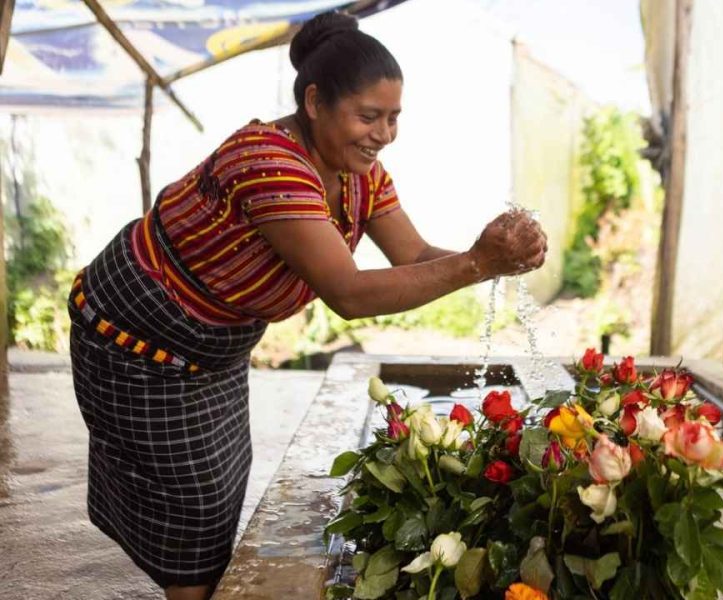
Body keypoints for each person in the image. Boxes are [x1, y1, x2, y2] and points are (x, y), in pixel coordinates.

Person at [68, 10, 547, 600]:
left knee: (219, 490)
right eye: (368, 116)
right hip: (135, 336)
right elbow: (346, 293)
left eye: (394, 118)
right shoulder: (268, 162)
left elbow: (414, 254)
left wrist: (495, 258)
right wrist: (479, 263)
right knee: (191, 506)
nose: (383, 134)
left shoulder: (360, 174)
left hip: (212, 345)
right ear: (315, 101)